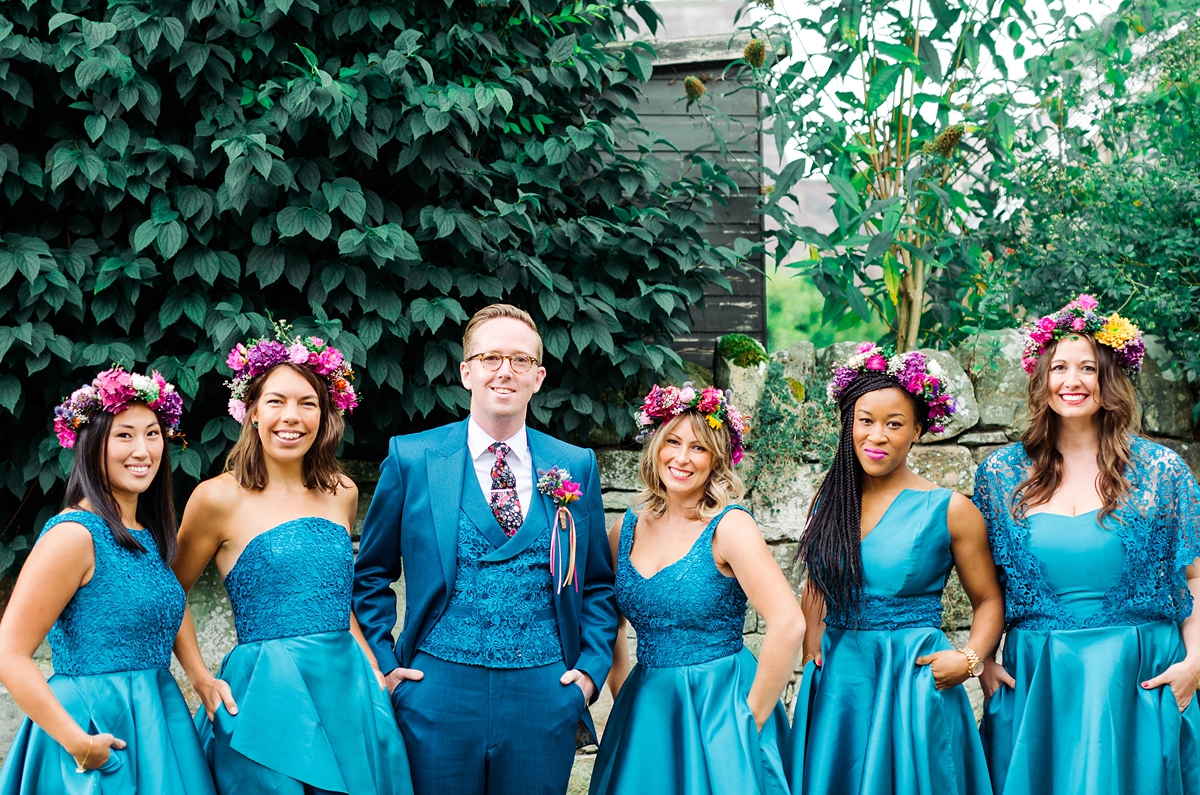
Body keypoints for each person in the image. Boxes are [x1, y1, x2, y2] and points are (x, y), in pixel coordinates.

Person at [353, 304, 618, 795]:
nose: (504, 371)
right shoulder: (412, 457)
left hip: (545, 692)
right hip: (436, 691)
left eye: (519, 360)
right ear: (466, 371)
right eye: (491, 357)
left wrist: (588, 672)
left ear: (538, 377)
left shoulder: (573, 464)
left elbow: (598, 584)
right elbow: (370, 576)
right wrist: (387, 669)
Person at [171, 323, 414, 795]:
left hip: (347, 685)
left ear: (325, 415)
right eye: (277, 401)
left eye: (308, 403)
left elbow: (335, 598)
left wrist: (372, 667)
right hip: (266, 690)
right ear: (252, 413)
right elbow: (168, 590)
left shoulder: (341, 492)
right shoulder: (216, 498)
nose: (292, 416)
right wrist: (199, 678)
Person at [975, 295, 1200, 795]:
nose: (1071, 381)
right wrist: (983, 659)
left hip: (1138, 680)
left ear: (1111, 378)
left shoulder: (1162, 471)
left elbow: (1195, 577)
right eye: (1058, 367)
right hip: (1039, 682)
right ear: (1041, 378)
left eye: (1087, 368)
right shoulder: (999, 474)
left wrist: (1195, 664)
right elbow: (986, 587)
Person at [788, 343, 1003, 795]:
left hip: (912, 677)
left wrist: (967, 660)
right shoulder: (829, 501)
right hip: (840, 682)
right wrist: (812, 649)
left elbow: (988, 599)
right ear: (849, 425)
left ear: (918, 431)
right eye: (865, 421)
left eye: (894, 424)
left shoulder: (951, 509)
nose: (877, 435)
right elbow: (817, 585)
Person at [0, 368, 213, 794]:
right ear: (91, 444)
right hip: (93, 725)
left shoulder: (147, 533)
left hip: (158, 714)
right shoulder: (73, 535)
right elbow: (9, 653)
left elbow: (171, 603)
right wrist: (78, 742)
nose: (143, 449)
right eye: (124, 435)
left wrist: (201, 677)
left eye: (153, 434)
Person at [588, 382, 803, 795]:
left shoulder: (730, 527)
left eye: (699, 448)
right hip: (647, 708)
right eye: (673, 442)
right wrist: (625, 694)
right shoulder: (625, 529)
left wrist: (749, 720)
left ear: (717, 459)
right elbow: (609, 624)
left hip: (719, 703)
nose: (682, 458)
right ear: (655, 447)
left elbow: (788, 623)